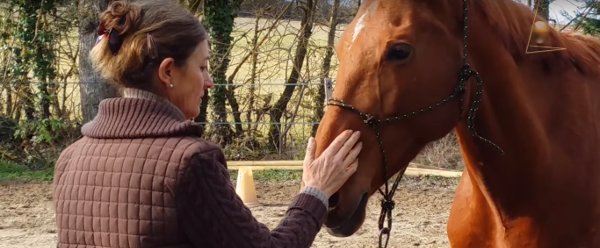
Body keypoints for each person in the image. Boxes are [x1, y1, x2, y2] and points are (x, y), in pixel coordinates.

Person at [52, 1, 362, 247]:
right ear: (168, 72)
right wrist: (315, 191)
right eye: (202, 67)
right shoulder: (188, 162)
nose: (210, 82)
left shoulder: (69, 159)